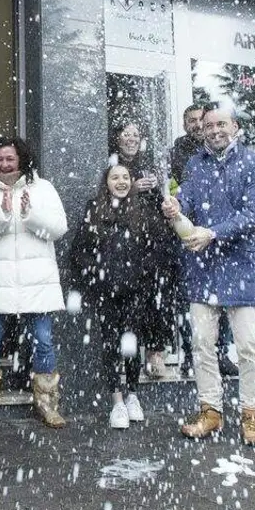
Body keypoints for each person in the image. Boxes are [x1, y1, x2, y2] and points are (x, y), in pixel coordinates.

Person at [162, 102, 255, 447]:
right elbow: (187, 201)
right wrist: (175, 206)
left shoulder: (254, 162)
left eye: (221, 124)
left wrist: (213, 233)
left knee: (249, 347)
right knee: (201, 345)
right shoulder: (195, 164)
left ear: (235, 127)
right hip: (204, 268)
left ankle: (251, 414)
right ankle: (210, 411)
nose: (214, 131)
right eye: (209, 126)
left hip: (243, 267)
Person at [0, 136, 69, 430]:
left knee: (43, 342)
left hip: (37, 282)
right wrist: (2, 214)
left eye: (10, 159)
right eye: (0, 159)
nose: (4, 165)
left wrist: (31, 214)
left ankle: (47, 405)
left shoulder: (43, 188)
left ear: (22, 160)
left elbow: (59, 228)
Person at [67, 163, 174, 429]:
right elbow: (79, 250)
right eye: (115, 177)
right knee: (111, 343)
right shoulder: (95, 209)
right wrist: (97, 273)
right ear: (106, 182)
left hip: (136, 290)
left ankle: (133, 395)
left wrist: (144, 274)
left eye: (126, 177)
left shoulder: (143, 210)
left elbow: (157, 247)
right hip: (106, 292)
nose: (121, 182)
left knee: (132, 343)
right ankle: (116, 401)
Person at [112, 122, 174, 378]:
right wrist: (132, 189)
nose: (132, 139)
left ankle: (155, 354)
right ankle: (127, 358)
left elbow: (164, 202)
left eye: (136, 135)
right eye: (126, 134)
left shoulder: (149, 164)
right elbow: (106, 201)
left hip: (155, 245)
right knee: (130, 304)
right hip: (127, 245)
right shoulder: (111, 165)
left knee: (157, 301)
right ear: (117, 138)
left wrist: (160, 190)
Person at [169, 105, 204, 186]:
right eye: (192, 121)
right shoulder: (175, 155)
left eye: (201, 119)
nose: (199, 125)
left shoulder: (220, 148)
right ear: (184, 126)